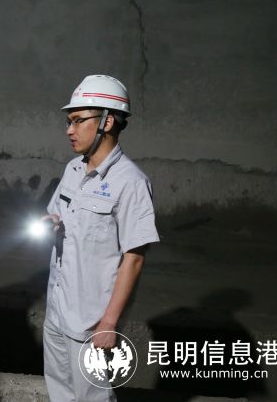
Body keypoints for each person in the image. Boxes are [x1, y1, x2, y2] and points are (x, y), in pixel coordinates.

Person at [42, 75, 160, 401]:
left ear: (107, 121)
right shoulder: (72, 170)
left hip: (91, 320)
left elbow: (134, 259)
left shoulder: (131, 183)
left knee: (92, 396)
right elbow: (58, 216)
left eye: (78, 120)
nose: (69, 130)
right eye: (68, 121)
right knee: (60, 392)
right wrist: (51, 223)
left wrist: (109, 322)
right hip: (57, 309)